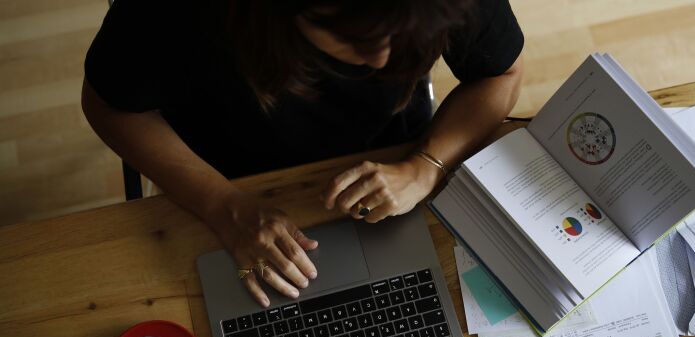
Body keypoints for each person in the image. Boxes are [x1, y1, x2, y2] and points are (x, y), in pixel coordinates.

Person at [82, 0, 524, 307]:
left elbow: (500, 75)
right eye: (354, 36)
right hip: (219, 171)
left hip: (395, 156)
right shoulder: (180, 9)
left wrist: (426, 166)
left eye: (407, 31)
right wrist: (222, 206)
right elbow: (109, 106)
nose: (383, 57)